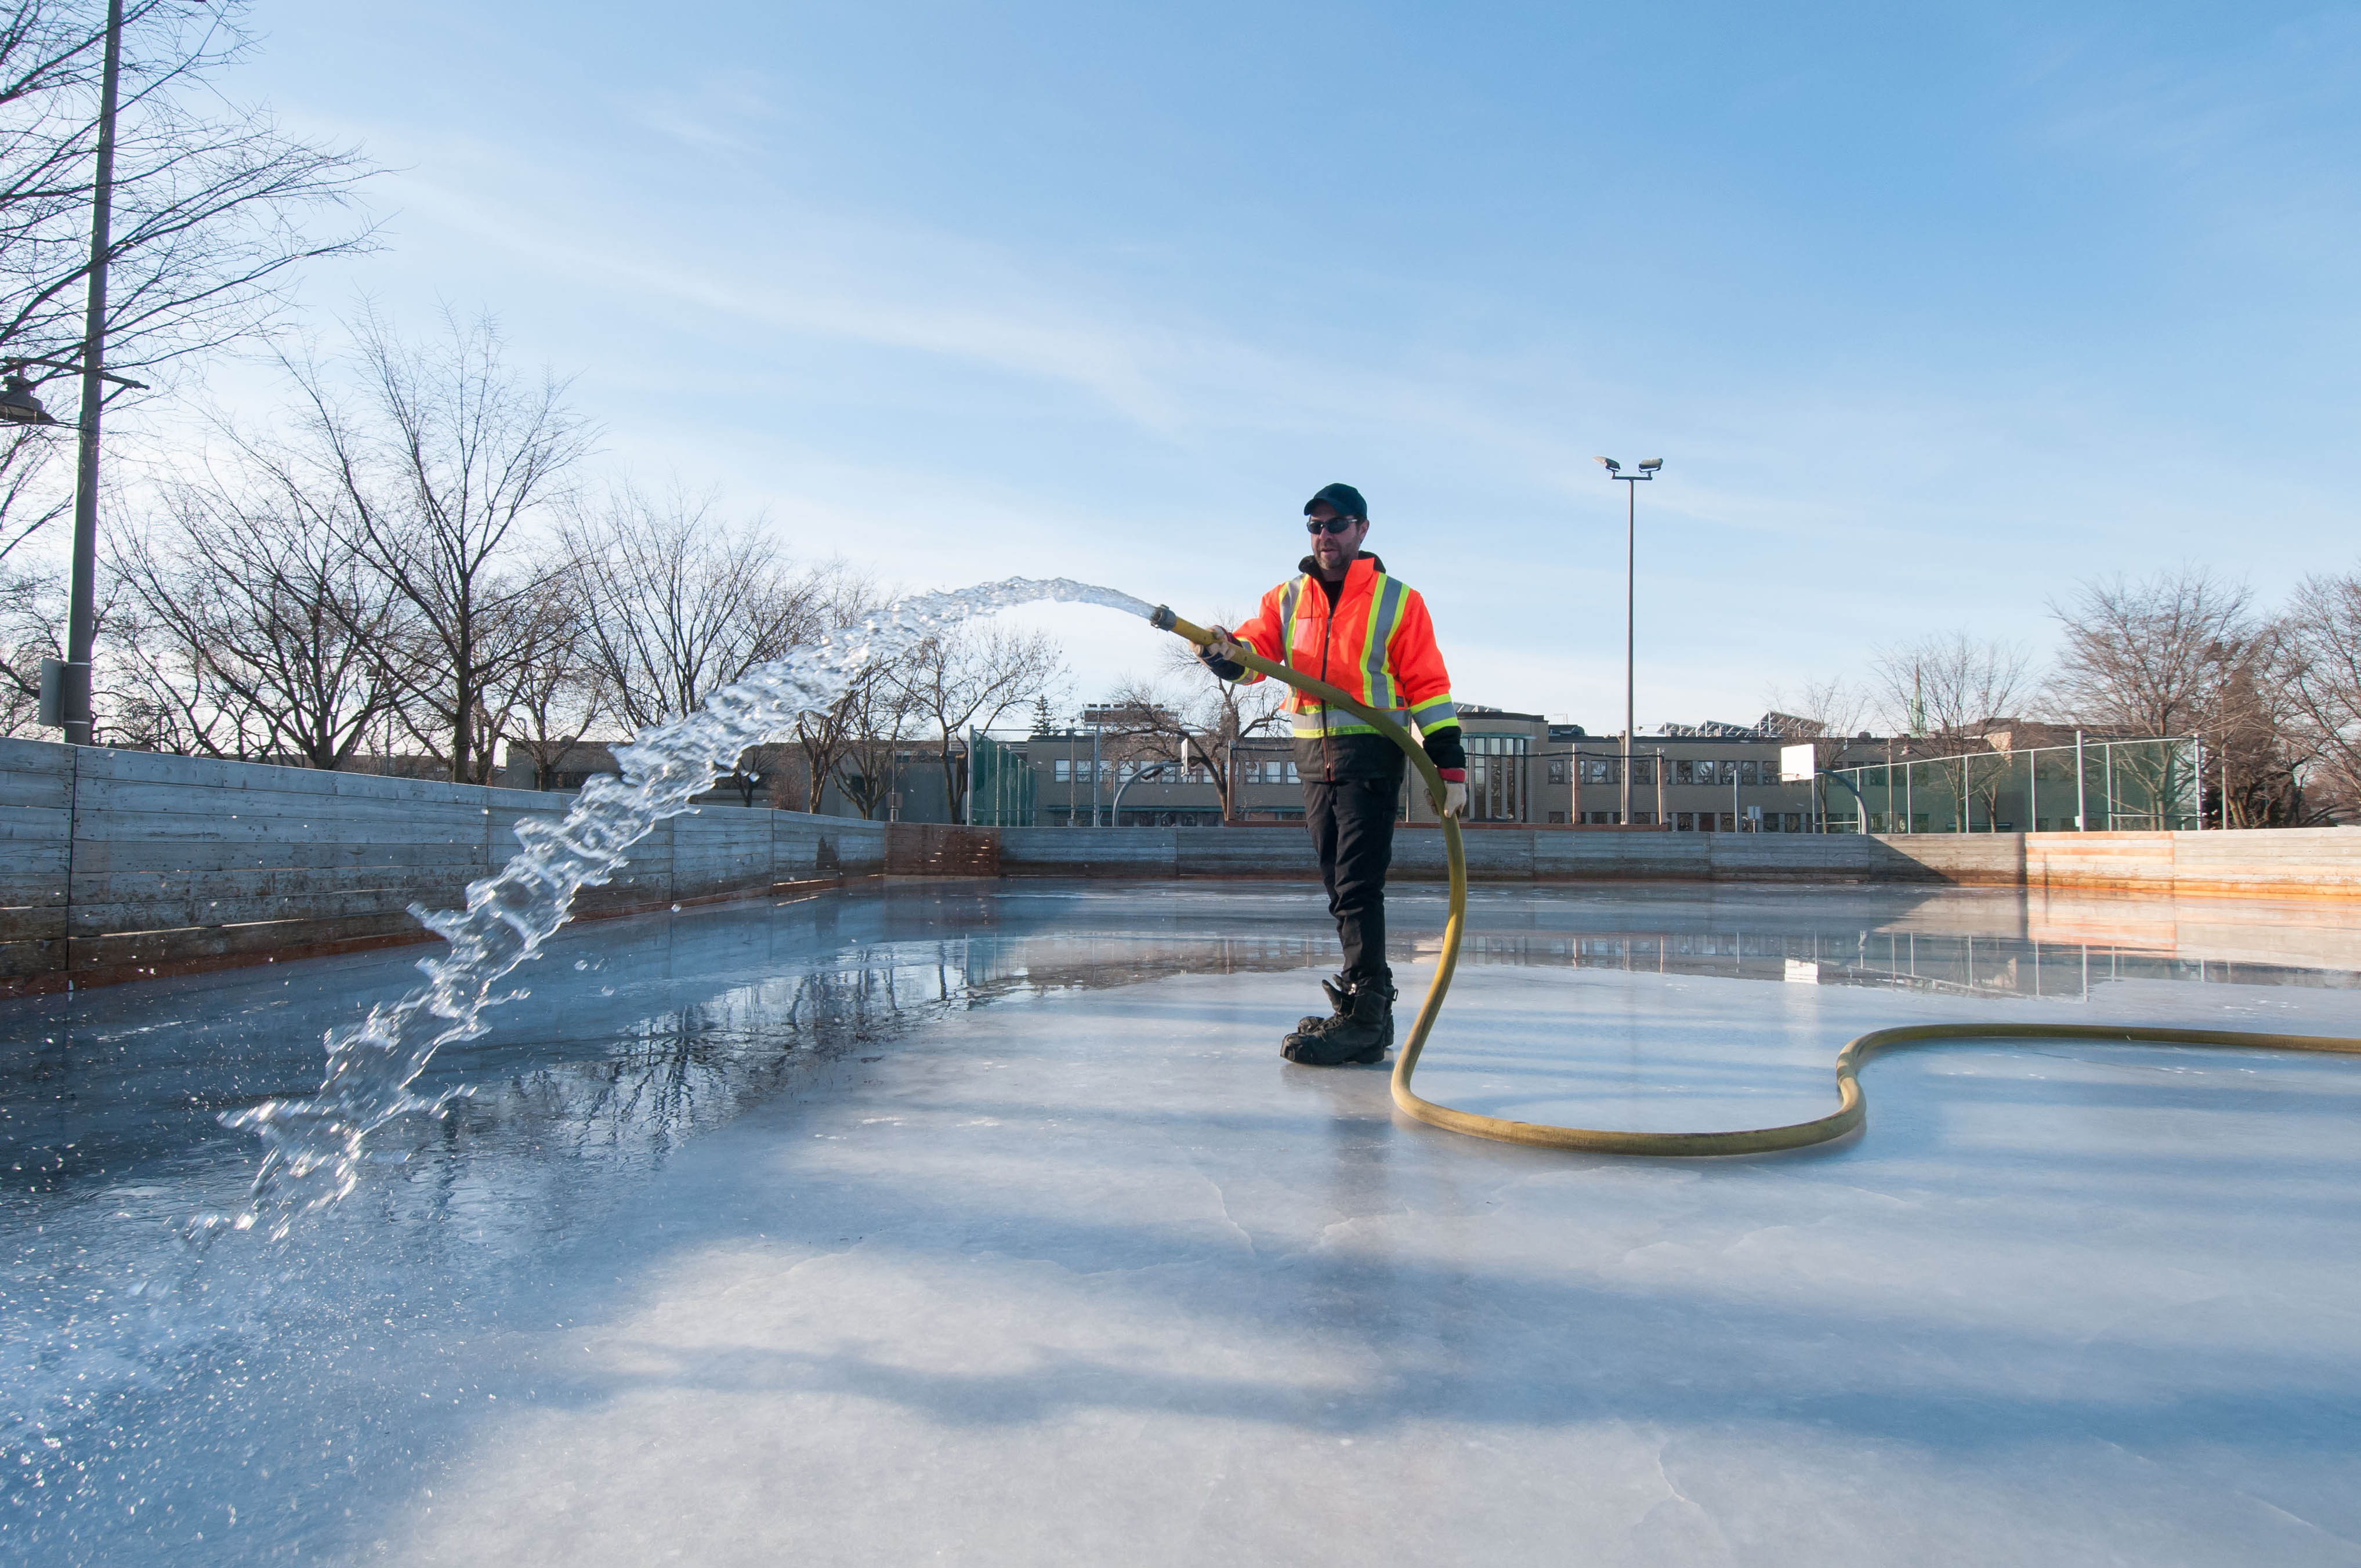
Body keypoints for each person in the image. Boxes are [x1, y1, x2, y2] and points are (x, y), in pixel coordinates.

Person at [1200, 483, 1468, 1066]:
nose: (1324, 536)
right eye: (1315, 527)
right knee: (1337, 884)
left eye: (1336, 525)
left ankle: (1366, 1010)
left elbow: (1427, 685)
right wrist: (1225, 654)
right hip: (1310, 757)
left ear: (1362, 530)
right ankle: (1364, 1003)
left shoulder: (1397, 601)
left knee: (1355, 884)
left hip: (1370, 753)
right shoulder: (1285, 598)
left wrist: (1448, 763)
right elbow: (1253, 656)